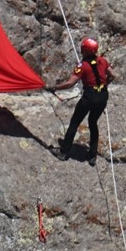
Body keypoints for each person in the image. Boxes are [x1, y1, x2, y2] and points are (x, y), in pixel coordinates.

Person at [48, 37, 113, 165]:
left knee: (75, 122)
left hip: (89, 97)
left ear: (85, 50)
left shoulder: (82, 66)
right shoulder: (103, 61)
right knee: (93, 122)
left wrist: (55, 87)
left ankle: (64, 152)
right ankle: (92, 155)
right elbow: (113, 74)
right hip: (103, 96)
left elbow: (70, 83)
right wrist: (105, 85)